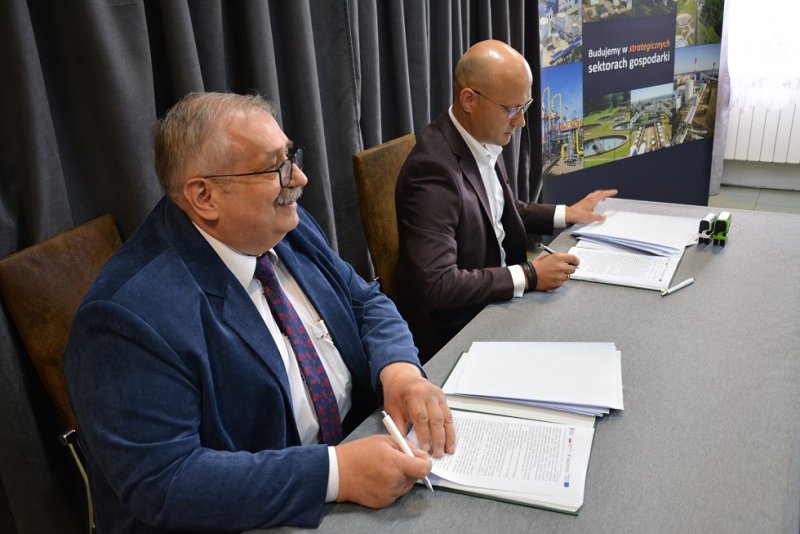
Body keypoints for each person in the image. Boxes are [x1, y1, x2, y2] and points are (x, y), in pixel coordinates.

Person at [64, 92, 455, 533]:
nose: (300, 177)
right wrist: (336, 473)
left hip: (365, 447)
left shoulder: (282, 224)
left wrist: (399, 371)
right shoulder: (124, 318)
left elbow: (363, 300)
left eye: (290, 156)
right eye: (274, 167)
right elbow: (167, 483)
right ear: (204, 196)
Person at [395, 40, 617, 354]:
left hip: (499, 297)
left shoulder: (482, 136)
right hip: (462, 328)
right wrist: (529, 275)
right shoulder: (431, 172)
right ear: (469, 99)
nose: (521, 121)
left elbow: (498, 210)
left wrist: (567, 214)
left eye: (525, 107)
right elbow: (439, 286)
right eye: (512, 109)